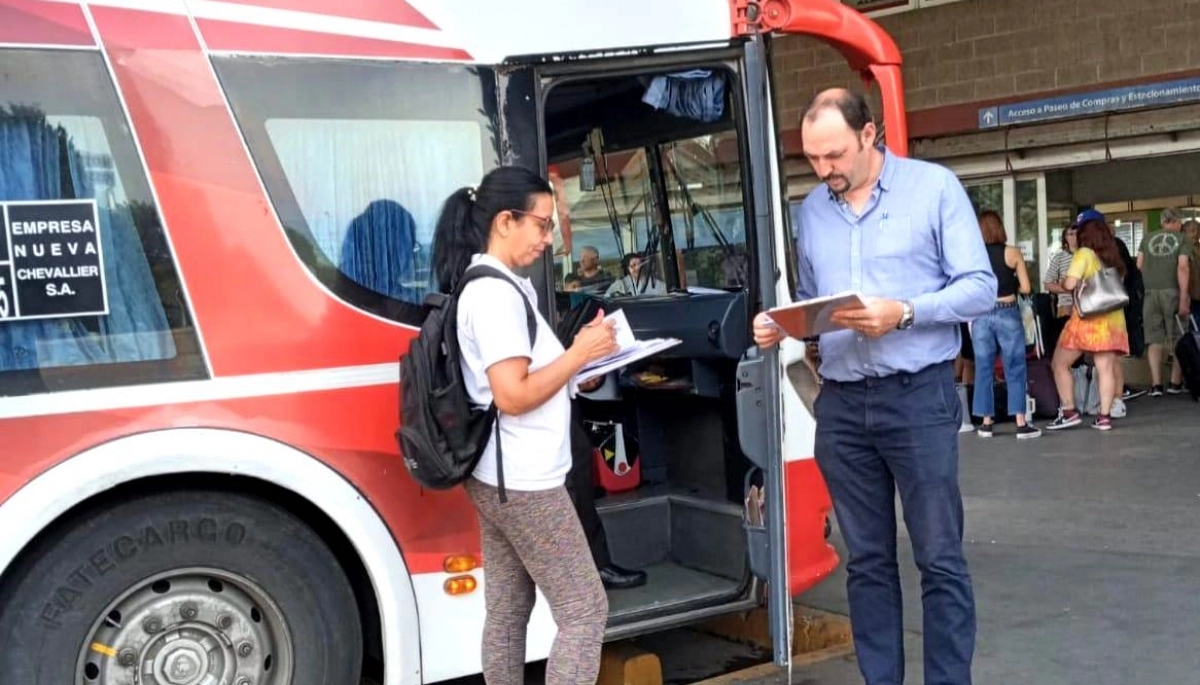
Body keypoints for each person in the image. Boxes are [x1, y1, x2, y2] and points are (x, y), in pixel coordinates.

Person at [753, 88, 995, 685]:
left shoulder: (933, 189)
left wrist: (903, 312)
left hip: (919, 397)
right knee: (866, 563)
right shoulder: (812, 210)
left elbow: (980, 288)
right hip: (842, 405)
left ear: (869, 135)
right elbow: (815, 302)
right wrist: (784, 325)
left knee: (938, 558)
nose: (824, 169)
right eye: (812, 158)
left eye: (834, 155)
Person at [431, 165, 618, 685]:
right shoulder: (493, 295)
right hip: (525, 481)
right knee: (585, 610)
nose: (547, 237)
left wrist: (571, 372)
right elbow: (512, 394)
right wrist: (579, 352)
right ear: (505, 221)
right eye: (541, 224)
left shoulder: (497, 285)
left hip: (499, 475)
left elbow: (521, 381)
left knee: (509, 610)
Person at [1044, 211, 1130, 432]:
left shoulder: (1084, 254)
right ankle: (1104, 418)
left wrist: (1064, 280)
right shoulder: (1113, 255)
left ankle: (1070, 411)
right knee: (1106, 368)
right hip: (1112, 320)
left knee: (1060, 364)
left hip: (1087, 321)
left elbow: (1070, 284)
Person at [971, 210, 1040, 439]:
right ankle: (1021, 422)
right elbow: (1027, 288)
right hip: (1007, 311)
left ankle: (986, 423)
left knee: (983, 368)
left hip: (981, 313)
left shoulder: (974, 256)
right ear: (1000, 228)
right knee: (1015, 367)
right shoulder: (1013, 253)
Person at [1137, 207, 1192, 396]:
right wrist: (1184, 297)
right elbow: (1183, 267)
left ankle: (1156, 385)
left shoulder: (1146, 238)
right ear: (1177, 222)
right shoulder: (1182, 238)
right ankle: (1175, 383)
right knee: (1178, 336)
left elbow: (1139, 264)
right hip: (1173, 291)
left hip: (1151, 293)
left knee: (1154, 339)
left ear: (1162, 222)